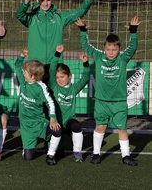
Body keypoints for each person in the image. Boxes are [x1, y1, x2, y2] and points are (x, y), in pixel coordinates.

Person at [76, 16, 139, 166]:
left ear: (119, 49)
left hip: (119, 102)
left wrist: (134, 31)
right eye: (108, 49)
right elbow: (86, 45)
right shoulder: (98, 56)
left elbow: (133, 47)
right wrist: (82, 30)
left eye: (114, 50)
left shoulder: (123, 58)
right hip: (101, 102)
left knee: (122, 129)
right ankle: (96, 154)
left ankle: (126, 156)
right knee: (100, 127)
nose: (111, 53)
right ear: (104, 48)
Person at [16, 0, 95, 83]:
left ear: (52, 0)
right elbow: (19, 14)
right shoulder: (32, 18)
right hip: (34, 65)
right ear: (37, 0)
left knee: (53, 96)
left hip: (55, 64)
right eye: (42, 0)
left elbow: (78, 12)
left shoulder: (59, 18)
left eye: (48, 0)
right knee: (34, 96)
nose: (45, 3)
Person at [14, 48, 62, 165]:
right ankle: (27, 149)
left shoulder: (41, 87)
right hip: (26, 125)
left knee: (57, 130)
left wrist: (52, 118)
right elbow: (16, 66)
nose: (23, 73)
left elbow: (50, 102)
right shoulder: (23, 81)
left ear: (33, 76)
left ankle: (50, 154)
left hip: (39, 122)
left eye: (25, 72)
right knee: (28, 157)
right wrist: (21, 56)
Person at [49, 44, 90, 162]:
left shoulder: (74, 88)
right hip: (55, 121)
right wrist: (57, 54)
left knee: (77, 126)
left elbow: (86, 78)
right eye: (57, 77)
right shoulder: (54, 86)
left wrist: (85, 64)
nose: (59, 80)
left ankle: (77, 153)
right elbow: (52, 69)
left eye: (62, 77)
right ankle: (52, 151)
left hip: (68, 121)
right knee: (59, 153)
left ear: (69, 76)